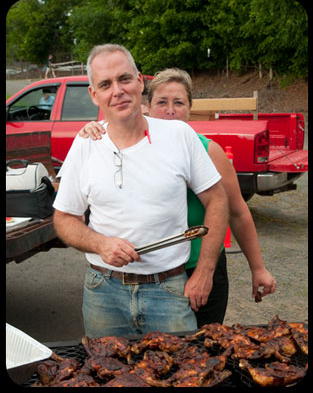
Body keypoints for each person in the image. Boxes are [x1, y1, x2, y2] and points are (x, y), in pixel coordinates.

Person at [53, 44, 228, 337]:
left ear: (140, 81)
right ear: (94, 95)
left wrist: (205, 271)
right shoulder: (85, 145)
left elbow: (218, 200)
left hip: (169, 290)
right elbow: (63, 219)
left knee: (182, 377)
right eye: (105, 84)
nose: (117, 90)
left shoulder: (178, 135)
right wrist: (101, 244)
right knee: (108, 377)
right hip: (103, 293)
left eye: (124, 79)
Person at [79, 67, 277, 327]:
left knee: (201, 355)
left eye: (179, 102)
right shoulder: (133, 149)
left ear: (189, 108)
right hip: (154, 274)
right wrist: (93, 131)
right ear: (147, 106)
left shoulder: (209, 152)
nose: (170, 110)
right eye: (162, 102)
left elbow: (238, 212)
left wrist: (258, 269)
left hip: (200, 269)